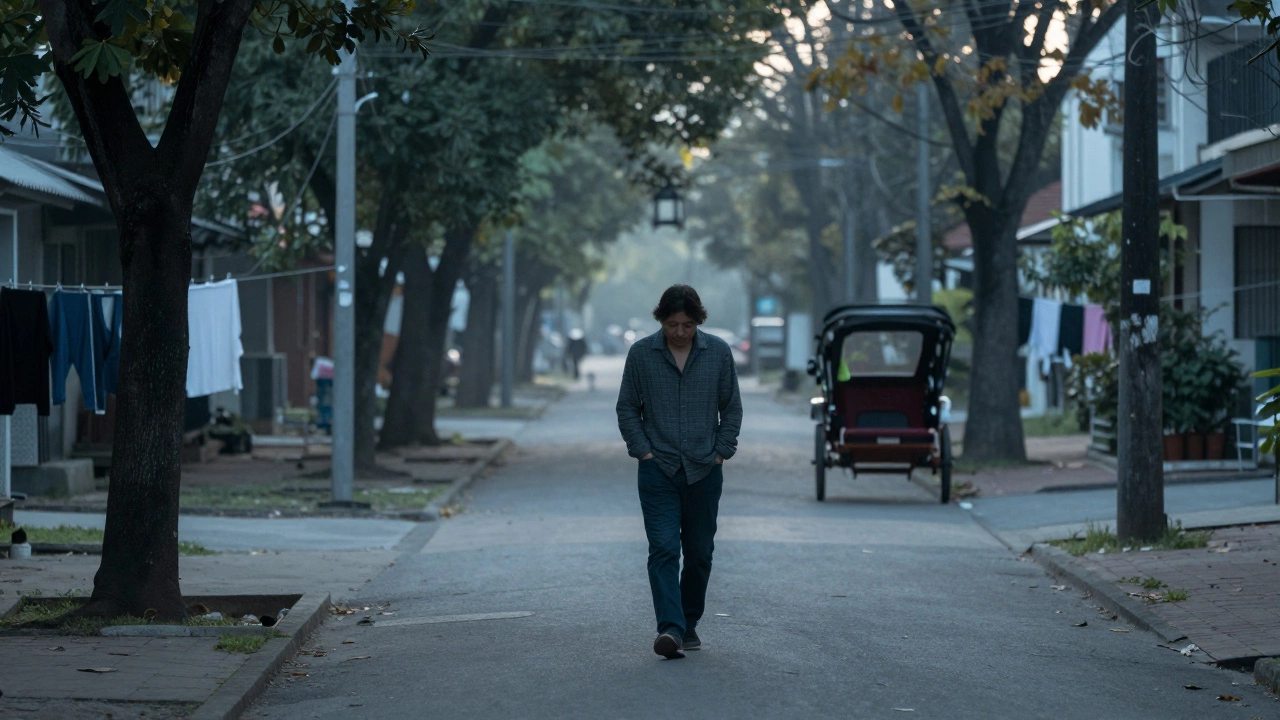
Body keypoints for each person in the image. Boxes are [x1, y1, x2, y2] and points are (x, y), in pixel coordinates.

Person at [616, 284, 743, 659]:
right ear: (662, 321)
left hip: (705, 470)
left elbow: (731, 408)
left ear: (698, 321)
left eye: (687, 324)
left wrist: (722, 452)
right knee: (664, 549)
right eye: (672, 324)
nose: (680, 332)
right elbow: (627, 408)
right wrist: (643, 452)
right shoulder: (641, 354)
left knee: (700, 553)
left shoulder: (717, 353)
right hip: (659, 470)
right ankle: (669, 629)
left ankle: (688, 623)